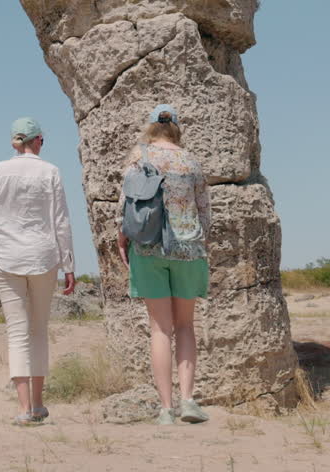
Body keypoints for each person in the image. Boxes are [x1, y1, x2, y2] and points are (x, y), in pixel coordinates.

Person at [0, 117, 76, 425]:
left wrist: (4, 229)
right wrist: (69, 265)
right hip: (44, 255)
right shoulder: (51, 171)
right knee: (39, 330)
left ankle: (23, 409)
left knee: (17, 332)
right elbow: (61, 221)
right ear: (38, 141)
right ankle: (39, 402)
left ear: (15, 143)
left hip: (7, 256)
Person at [118, 104, 211, 425]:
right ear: (176, 128)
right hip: (187, 249)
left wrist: (122, 240)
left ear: (151, 127)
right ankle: (188, 400)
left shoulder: (137, 158)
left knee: (160, 329)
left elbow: (125, 207)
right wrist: (198, 243)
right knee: (185, 326)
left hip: (147, 249)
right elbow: (205, 213)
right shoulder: (190, 161)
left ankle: (165, 410)